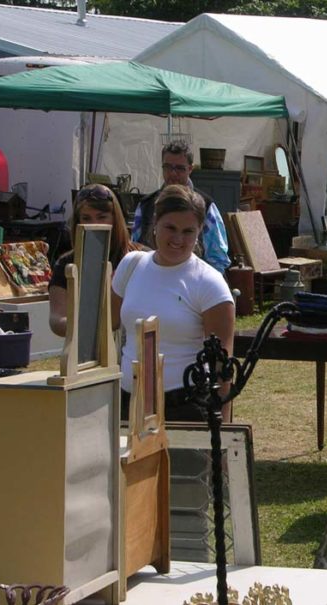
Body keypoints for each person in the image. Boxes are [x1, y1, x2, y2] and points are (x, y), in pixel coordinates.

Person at [112, 185, 236, 420]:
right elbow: (107, 324)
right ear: (155, 223)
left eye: (188, 231)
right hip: (128, 403)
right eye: (171, 228)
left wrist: (225, 431)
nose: (178, 239)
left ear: (200, 231)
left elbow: (223, 367)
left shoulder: (210, 283)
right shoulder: (130, 266)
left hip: (185, 407)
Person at [48, 184, 141, 337]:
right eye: (86, 218)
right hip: (87, 352)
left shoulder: (140, 257)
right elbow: (57, 319)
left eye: (102, 217)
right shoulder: (66, 263)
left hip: (134, 348)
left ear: (115, 219)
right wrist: (86, 327)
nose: (94, 224)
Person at [131, 140, 231, 274]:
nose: (173, 173)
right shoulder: (146, 205)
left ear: (190, 169)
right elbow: (135, 249)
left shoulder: (205, 206)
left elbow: (218, 258)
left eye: (179, 168)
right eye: (168, 167)